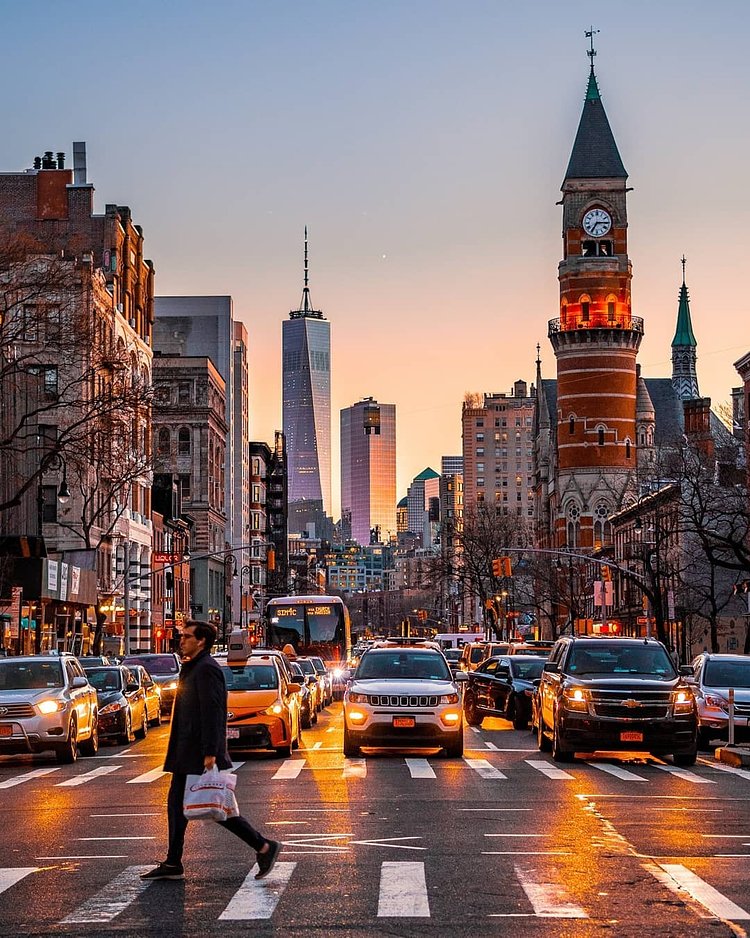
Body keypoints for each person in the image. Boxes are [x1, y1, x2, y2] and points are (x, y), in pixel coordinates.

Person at [141, 620, 280, 881]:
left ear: (201, 641)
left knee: (216, 806)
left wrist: (211, 751)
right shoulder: (193, 666)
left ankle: (263, 846)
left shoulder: (206, 669)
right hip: (187, 750)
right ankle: (174, 861)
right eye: (181, 636)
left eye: (186, 636)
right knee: (182, 806)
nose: (181, 640)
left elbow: (213, 711)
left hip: (197, 751)